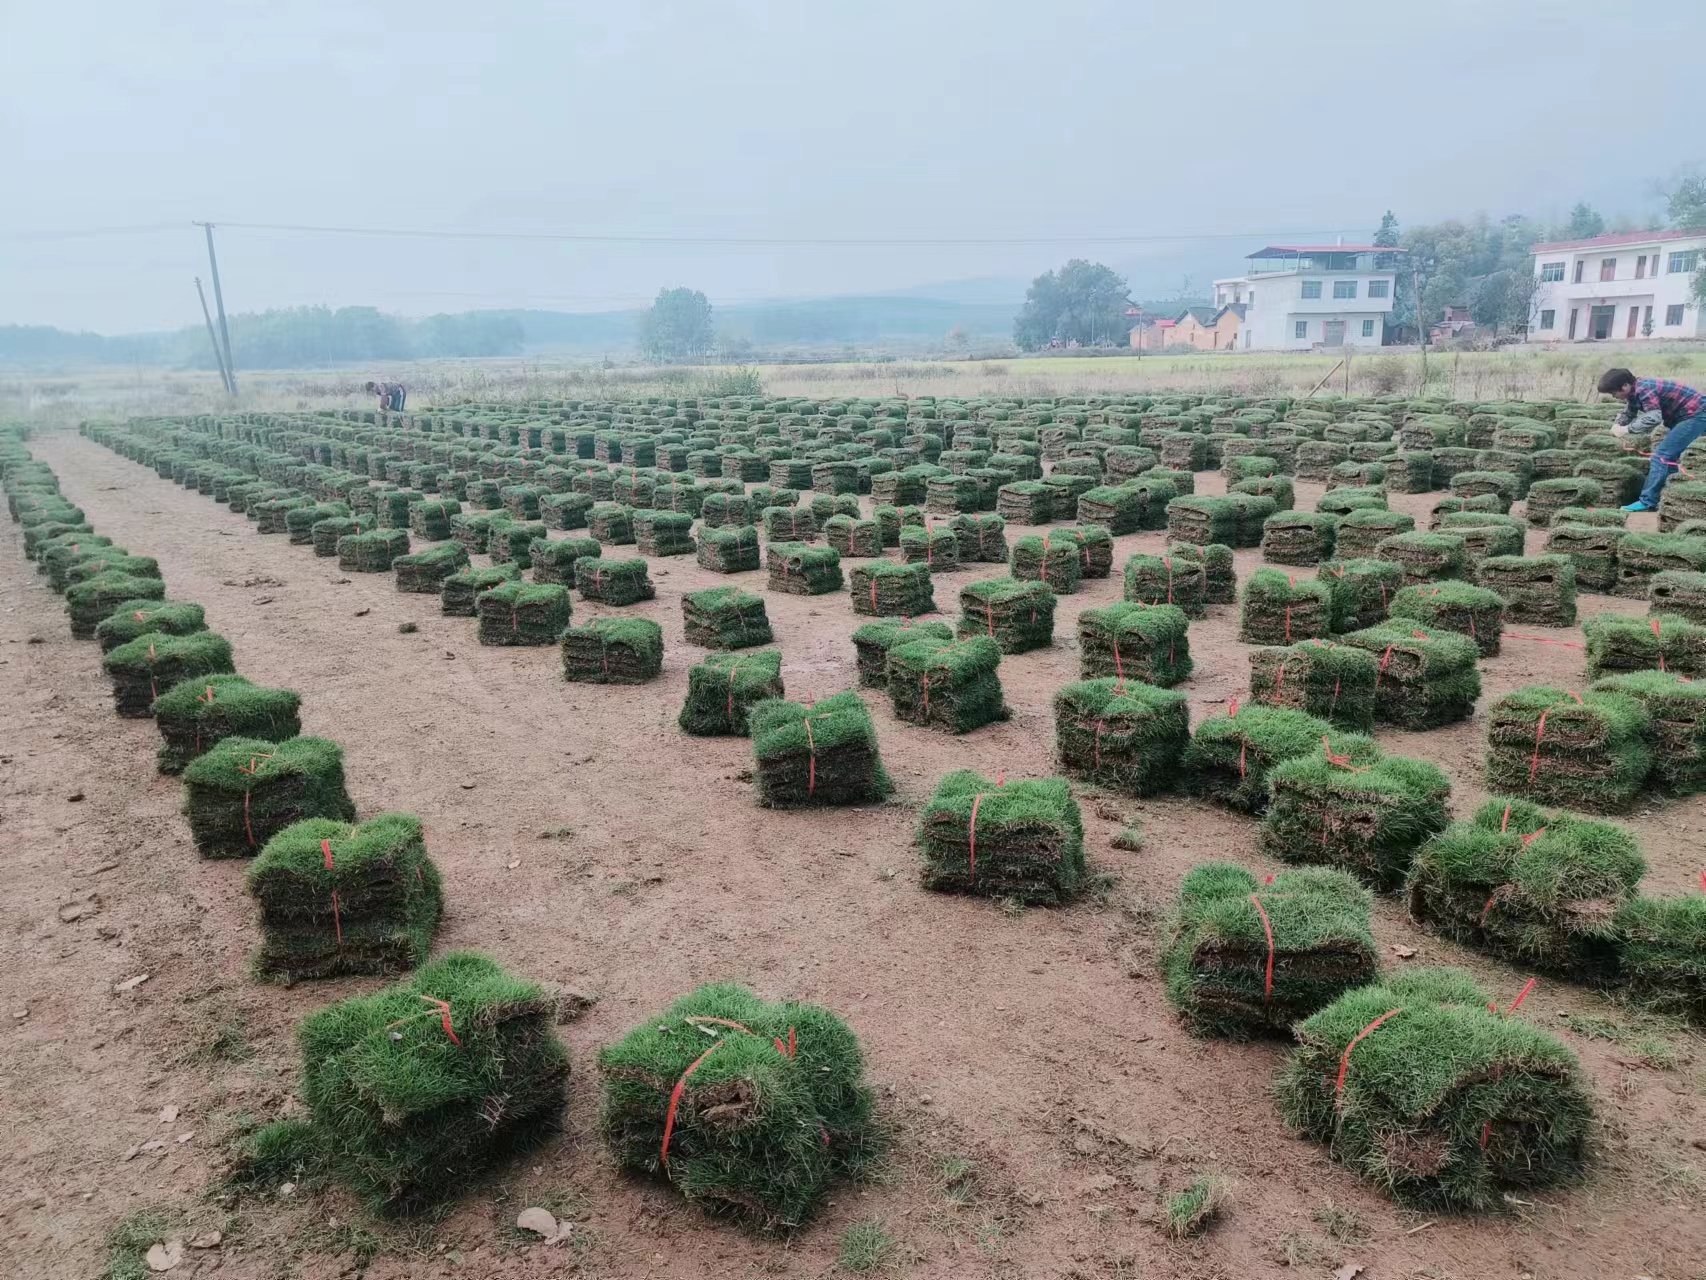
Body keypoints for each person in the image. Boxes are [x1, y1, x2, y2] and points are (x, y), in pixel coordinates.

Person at [1599, 366, 1706, 512]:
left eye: (1613, 392)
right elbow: (1629, 412)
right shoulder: (1634, 392)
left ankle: (1647, 502)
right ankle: (1670, 495)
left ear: (1625, 386)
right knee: (1670, 457)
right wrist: (1616, 425)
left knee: (1661, 456)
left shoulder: (1644, 388)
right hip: (1684, 416)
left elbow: (1654, 417)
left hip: (1695, 414)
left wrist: (1627, 429)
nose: (1613, 396)